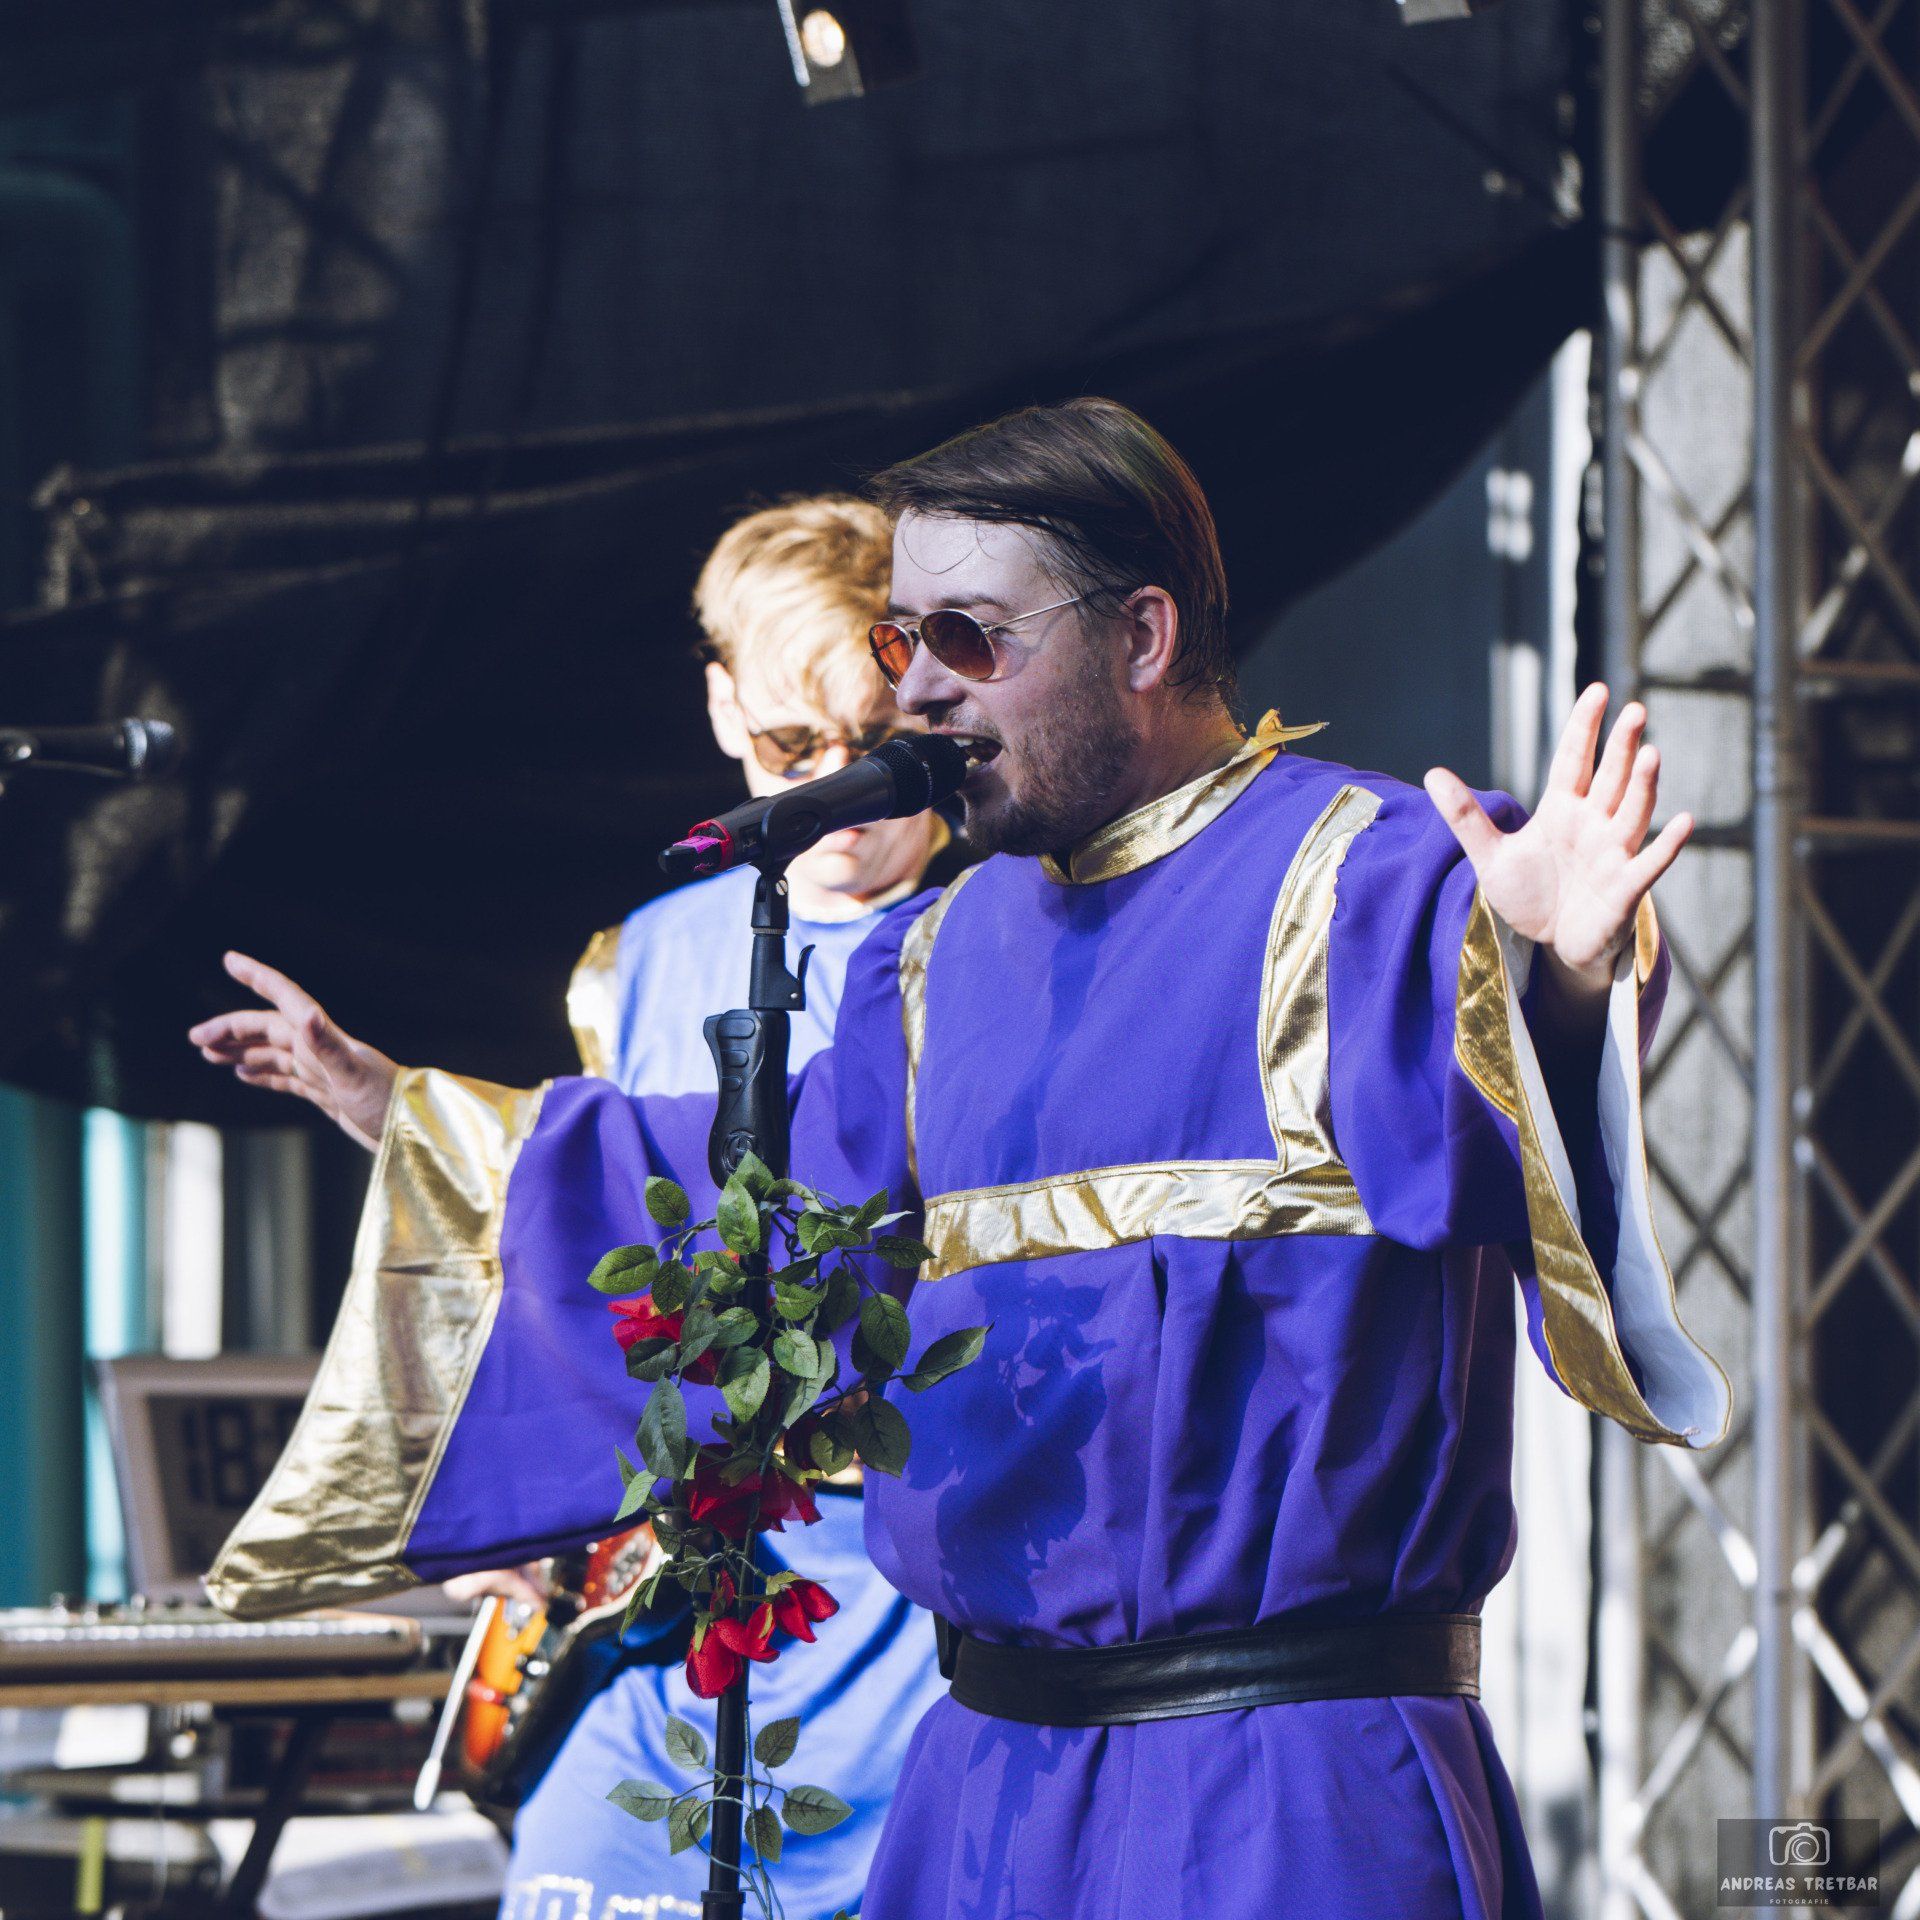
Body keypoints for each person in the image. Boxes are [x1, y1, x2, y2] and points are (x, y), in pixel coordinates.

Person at [199, 399, 1729, 1920]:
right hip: (986, 1798)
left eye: (968, 640)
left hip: (1280, 1789)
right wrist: (410, 1115)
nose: (918, 686)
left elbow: (1488, 1123)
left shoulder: (1358, 882)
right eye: (901, 640)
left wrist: (1564, 977)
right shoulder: (932, 964)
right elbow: (759, 1219)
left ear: (1142, 636)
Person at [195, 496, 954, 1920]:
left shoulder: (995, 937)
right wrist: (525, 1534)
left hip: (899, 1602)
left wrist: (419, 1110)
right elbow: (583, 1261)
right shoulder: (643, 959)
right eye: (795, 747)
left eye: (882, 747)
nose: (842, 792)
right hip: (649, 1614)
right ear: (723, 709)